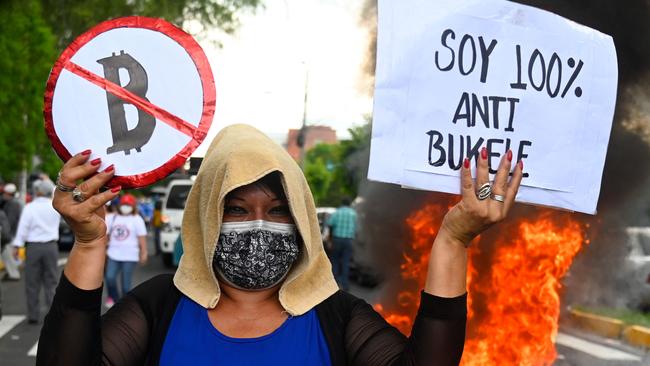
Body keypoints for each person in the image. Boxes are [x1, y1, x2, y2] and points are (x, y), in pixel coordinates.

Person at [37, 125, 523, 365]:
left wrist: (454, 239)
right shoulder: (159, 306)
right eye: (236, 209)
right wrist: (87, 244)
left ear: (302, 220)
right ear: (207, 217)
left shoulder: (338, 318)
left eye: (276, 211)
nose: (257, 226)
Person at [12, 179, 60, 324]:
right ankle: (52, 315)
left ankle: (33, 315)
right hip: (51, 247)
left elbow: (23, 228)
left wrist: (17, 245)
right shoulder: (55, 206)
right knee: (51, 282)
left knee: (32, 283)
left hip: (33, 247)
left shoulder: (30, 207)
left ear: (38, 191)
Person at [104, 193, 148, 307]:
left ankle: (123, 306)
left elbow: (142, 238)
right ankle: (115, 299)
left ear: (133, 206)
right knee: (110, 278)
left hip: (130, 256)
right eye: (124, 204)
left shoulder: (137, 219)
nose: (125, 207)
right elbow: (106, 235)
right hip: (113, 254)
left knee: (126, 285)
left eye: (128, 205)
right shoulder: (112, 218)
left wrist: (144, 252)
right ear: (119, 205)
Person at [327, 198, 358, 291]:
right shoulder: (354, 214)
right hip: (349, 240)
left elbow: (330, 224)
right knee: (345, 262)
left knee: (335, 261)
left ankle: (334, 284)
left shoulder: (337, 212)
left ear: (342, 203)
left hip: (337, 239)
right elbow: (356, 229)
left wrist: (330, 239)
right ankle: (345, 285)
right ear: (349, 204)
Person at [1, 183, 23, 280]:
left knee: (9, 255)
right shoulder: (16, 202)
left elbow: (10, 221)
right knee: (9, 255)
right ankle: (11, 272)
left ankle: (13, 274)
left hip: (11, 234)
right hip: (13, 233)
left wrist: (6, 234)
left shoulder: (12, 204)